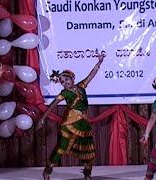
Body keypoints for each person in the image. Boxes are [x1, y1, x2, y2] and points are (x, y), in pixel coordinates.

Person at [36, 50, 105, 180]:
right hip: (68, 123)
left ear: (72, 78)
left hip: (83, 123)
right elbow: (52, 105)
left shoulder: (81, 86)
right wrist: (42, 119)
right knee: (61, 148)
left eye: (66, 79)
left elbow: (91, 75)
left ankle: (87, 173)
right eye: (62, 81)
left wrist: (99, 62)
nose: (65, 82)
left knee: (88, 149)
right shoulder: (65, 93)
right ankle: (48, 169)